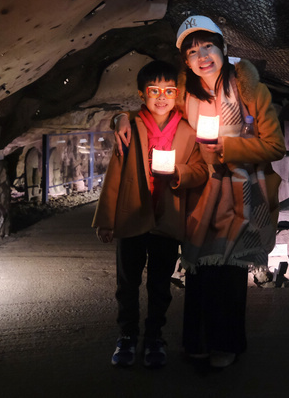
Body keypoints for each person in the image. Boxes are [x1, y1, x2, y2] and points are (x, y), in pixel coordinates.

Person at [114, 15, 286, 369]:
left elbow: (274, 146)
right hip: (199, 190)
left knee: (229, 271)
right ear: (185, 60)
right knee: (198, 269)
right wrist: (121, 118)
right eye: (192, 51)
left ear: (222, 47)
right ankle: (197, 340)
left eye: (207, 46)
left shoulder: (248, 88)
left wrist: (229, 148)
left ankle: (227, 343)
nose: (201, 56)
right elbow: (154, 109)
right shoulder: (184, 94)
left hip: (240, 192)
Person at [93, 60, 208, 369]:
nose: (161, 97)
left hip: (166, 219)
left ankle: (155, 336)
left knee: (160, 283)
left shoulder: (186, 130)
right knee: (127, 282)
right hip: (132, 216)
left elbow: (200, 170)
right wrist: (106, 220)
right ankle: (127, 336)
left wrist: (179, 172)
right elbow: (115, 174)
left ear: (178, 94)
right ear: (142, 94)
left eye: (169, 91)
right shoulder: (132, 127)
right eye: (154, 91)